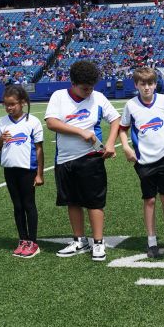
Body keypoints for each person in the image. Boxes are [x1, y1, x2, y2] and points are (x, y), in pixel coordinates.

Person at [46, 60, 121, 261]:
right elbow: (51, 123)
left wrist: (112, 143)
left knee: (94, 202)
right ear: (73, 82)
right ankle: (79, 241)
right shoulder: (59, 96)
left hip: (91, 159)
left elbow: (115, 119)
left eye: (91, 87)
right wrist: (81, 132)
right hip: (64, 159)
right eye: (84, 88)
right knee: (72, 202)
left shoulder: (99, 98)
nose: (88, 91)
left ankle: (98, 243)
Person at [119, 67, 164, 257]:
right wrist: (127, 147)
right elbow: (123, 129)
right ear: (136, 85)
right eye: (142, 84)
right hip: (144, 160)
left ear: (155, 84)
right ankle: (151, 240)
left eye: (150, 83)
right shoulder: (131, 105)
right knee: (149, 200)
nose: (147, 87)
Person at [0, 84, 45, 259]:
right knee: (17, 206)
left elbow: (39, 149)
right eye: (6, 104)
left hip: (27, 170)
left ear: (22, 102)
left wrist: (39, 173)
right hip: (9, 169)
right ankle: (22, 239)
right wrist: (1, 139)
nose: (9, 107)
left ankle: (33, 241)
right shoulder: (2, 122)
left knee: (28, 204)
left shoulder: (33, 121)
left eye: (12, 104)